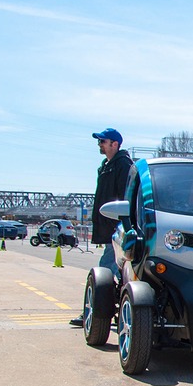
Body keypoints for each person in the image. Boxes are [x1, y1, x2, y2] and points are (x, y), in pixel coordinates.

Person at [70, 128, 133, 327]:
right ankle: (116, 312)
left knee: (104, 272)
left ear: (115, 144)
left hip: (116, 228)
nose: (100, 145)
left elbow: (126, 198)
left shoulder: (123, 165)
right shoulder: (107, 166)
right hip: (107, 226)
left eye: (103, 141)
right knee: (116, 274)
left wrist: (120, 224)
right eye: (99, 142)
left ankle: (94, 315)